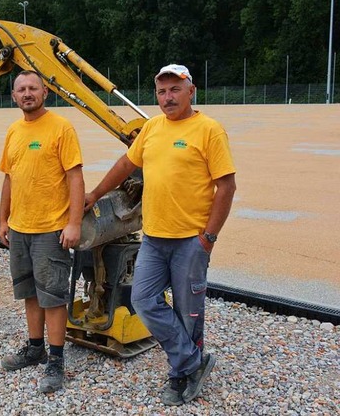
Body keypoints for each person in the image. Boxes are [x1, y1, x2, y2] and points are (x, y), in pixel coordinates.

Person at [84, 64, 236, 405]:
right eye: (162, 91)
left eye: (174, 90)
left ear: (190, 91)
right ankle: (191, 362)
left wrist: (208, 238)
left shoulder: (209, 130)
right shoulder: (152, 128)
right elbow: (125, 165)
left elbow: (226, 186)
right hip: (153, 237)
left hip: (190, 240)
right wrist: (94, 194)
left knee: (188, 310)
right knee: (143, 300)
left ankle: (179, 373)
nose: (168, 98)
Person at [0, 70, 84, 393]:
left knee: (52, 296)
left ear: (45, 92)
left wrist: (73, 223)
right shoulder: (13, 131)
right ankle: (36, 348)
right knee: (29, 292)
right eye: (21, 89)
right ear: (14, 96)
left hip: (50, 229)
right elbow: (9, 178)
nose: (27, 93)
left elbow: (75, 178)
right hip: (19, 228)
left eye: (33, 87)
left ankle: (56, 360)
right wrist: (3, 220)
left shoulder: (61, 128)